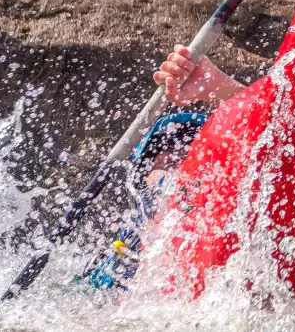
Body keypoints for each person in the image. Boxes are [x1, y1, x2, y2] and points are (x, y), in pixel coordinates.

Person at [74, 44, 242, 292]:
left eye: (187, 160)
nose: (177, 174)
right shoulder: (112, 273)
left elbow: (279, 141)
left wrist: (220, 87)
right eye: (165, 165)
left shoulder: (239, 240)